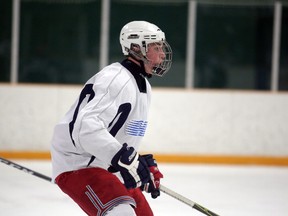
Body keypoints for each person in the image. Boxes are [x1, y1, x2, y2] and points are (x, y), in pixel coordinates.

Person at [50, 20, 172, 216]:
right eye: (156, 47)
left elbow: (119, 140)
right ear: (136, 48)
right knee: (121, 213)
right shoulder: (116, 79)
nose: (162, 54)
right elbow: (86, 128)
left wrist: (139, 165)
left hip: (106, 165)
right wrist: (126, 159)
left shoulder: (142, 85)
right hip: (79, 163)